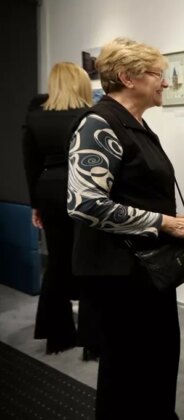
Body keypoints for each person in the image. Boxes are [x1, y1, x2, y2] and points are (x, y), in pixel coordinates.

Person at [67, 37, 184, 420]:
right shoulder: (98, 124)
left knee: (156, 362)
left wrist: (177, 221)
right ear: (127, 77)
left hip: (145, 270)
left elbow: (139, 193)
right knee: (126, 375)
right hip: (119, 275)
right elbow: (85, 204)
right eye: (159, 74)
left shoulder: (134, 124)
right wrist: (163, 222)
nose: (166, 82)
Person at [22, 63, 95, 357]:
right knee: (89, 261)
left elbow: (30, 164)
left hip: (49, 189)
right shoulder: (89, 116)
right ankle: (92, 341)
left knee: (57, 261)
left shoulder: (35, 116)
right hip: (83, 187)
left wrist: (35, 204)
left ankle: (58, 335)